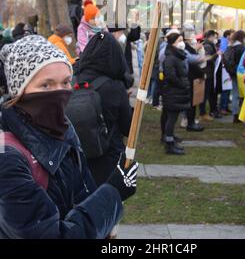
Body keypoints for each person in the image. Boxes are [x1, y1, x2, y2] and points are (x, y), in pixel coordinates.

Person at [0, 35, 138, 239]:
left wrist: (104, 210)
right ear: (19, 89)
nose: (58, 93)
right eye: (46, 85)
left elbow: (82, 191)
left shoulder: (63, 127)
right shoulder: (7, 156)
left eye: (65, 82)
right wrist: (113, 193)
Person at [74, 32, 133, 185]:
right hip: (108, 157)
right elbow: (128, 128)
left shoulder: (71, 80)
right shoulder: (115, 87)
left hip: (75, 158)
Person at [162, 32, 191, 155]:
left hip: (176, 92)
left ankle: (170, 140)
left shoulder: (177, 55)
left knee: (172, 118)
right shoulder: (170, 57)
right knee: (171, 118)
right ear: (173, 42)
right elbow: (171, 75)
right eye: (179, 40)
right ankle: (169, 144)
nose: (182, 42)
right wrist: (182, 84)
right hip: (173, 92)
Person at [223, 30, 245, 123]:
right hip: (241, 72)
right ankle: (239, 114)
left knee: (235, 92)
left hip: (232, 72)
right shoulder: (241, 47)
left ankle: (235, 113)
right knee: (242, 94)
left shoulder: (230, 46)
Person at [200, 30, 219, 121]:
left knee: (208, 93)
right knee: (205, 94)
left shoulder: (208, 45)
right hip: (207, 72)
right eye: (215, 37)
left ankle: (206, 111)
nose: (216, 39)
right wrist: (216, 55)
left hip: (209, 72)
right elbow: (207, 59)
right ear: (210, 37)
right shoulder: (207, 45)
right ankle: (202, 113)